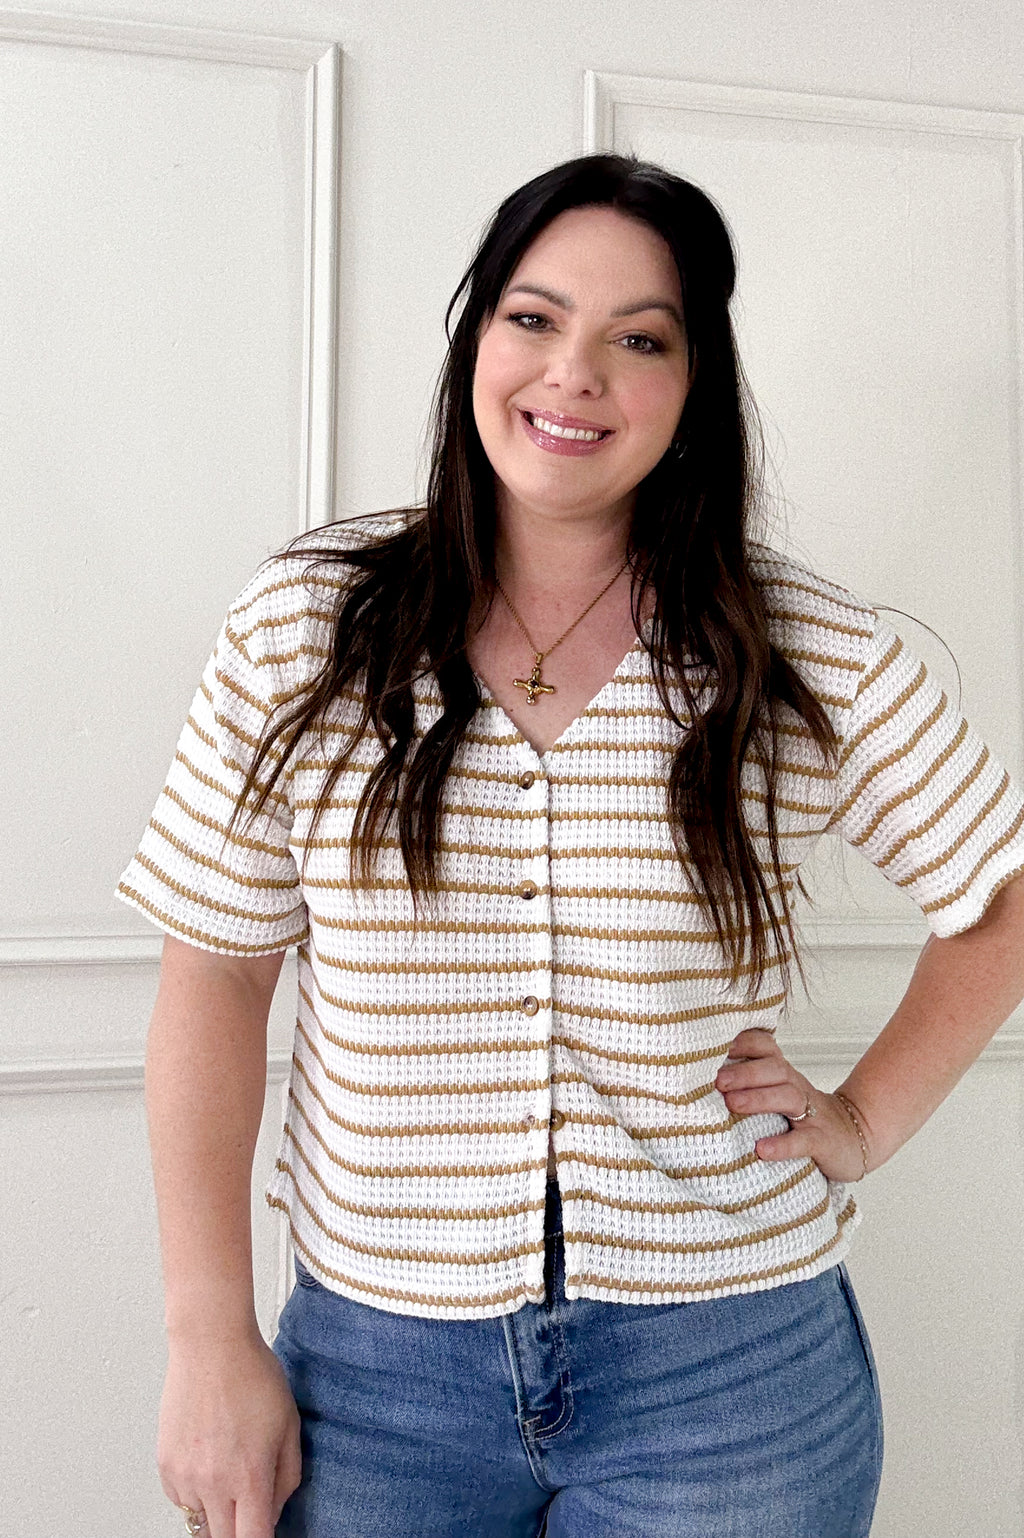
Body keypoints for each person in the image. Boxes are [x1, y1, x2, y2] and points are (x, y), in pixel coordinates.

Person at [118, 153, 1024, 1538]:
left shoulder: (804, 652)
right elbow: (218, 973)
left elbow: (1002, 894)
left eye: (639, 339)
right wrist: (206, 1337)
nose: (574, 373)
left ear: (696, 381)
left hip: (731, 1379)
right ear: (476, 339)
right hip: (374, 1378)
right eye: (534, 318)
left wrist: (862, 1119)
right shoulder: (308, 626)